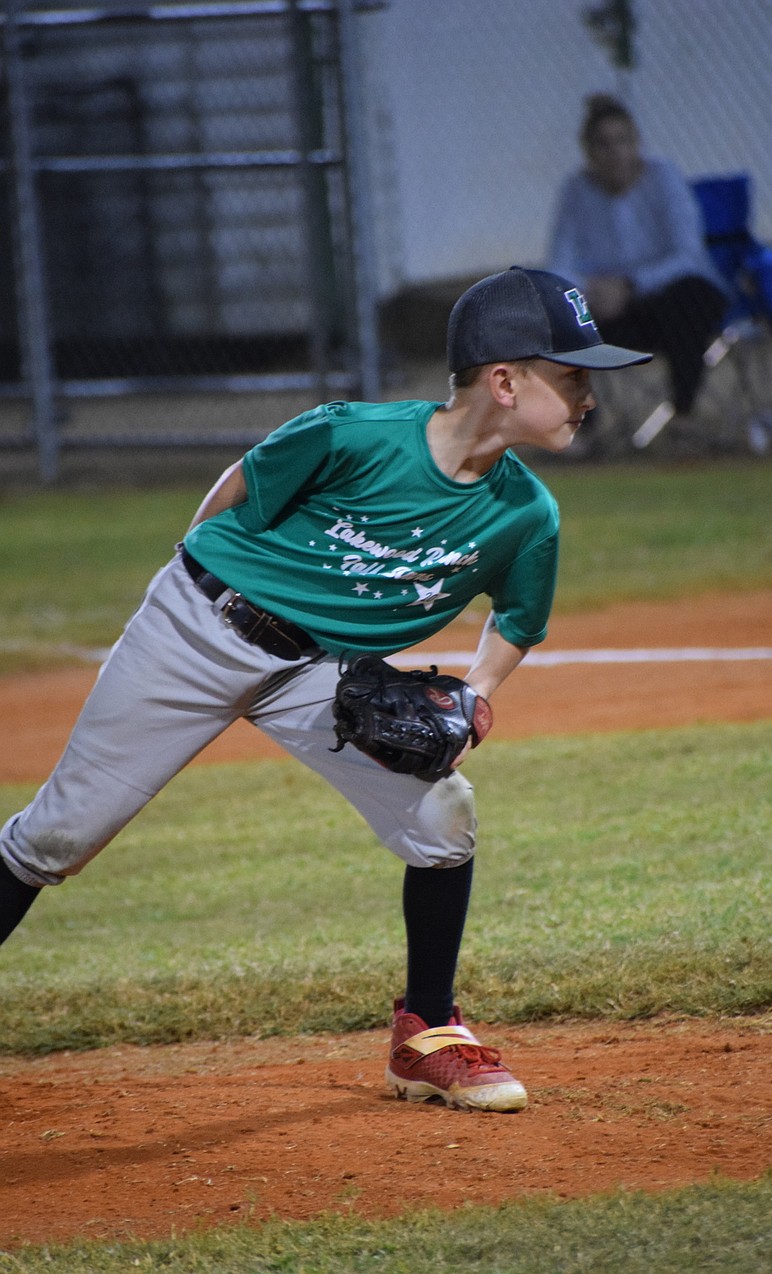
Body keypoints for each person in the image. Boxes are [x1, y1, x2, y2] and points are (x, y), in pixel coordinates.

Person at [0, 266, 650, 1113]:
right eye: (571, 377)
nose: (589, 397)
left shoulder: (527, 515)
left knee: (443, 817)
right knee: (57, 839)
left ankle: (427, 1034)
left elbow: (518, 619)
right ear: (504, 380)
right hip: (195, 633)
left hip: (319, 673)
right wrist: (195, 580)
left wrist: (475, 693)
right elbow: (239, 487)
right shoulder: (353, 436)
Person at [547, 94, 728, 436]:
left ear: (636, 144)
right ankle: (584, 427)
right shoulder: (575, 192)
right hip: (610, 312)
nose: (614, 152)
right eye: (602, 144)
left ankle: (684, 415)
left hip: (671, 302)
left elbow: (688, 255)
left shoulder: (664, 178)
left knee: (688, 299)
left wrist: (630, 285)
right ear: (588, 151)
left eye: (622, 141)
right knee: (557, 310)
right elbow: (559, 262)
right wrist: (589, 292)